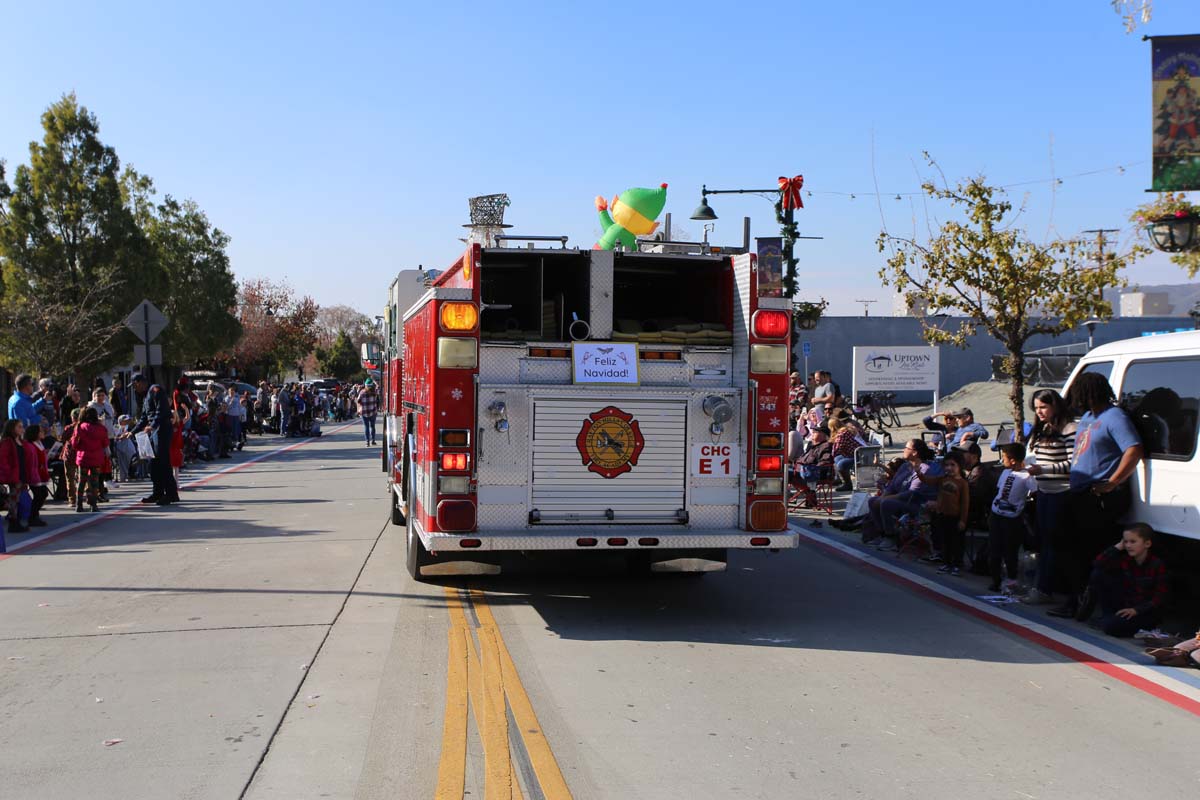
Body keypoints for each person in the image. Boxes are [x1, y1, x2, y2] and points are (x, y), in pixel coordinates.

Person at [1048, 372, 1144, 619]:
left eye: (1081, 394)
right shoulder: (1089, 417)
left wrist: (1112, 482)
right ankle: (1076, 596)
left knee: (1088, 550)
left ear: (1092, 393)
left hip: (1099, 495)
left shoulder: (1115, 417)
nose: (1077, 399)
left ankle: (1085, 602)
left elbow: (1133, 450)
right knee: (1064, 542)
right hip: (1079, 490)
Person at [1024, 389, 1076, 604]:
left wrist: (1044, 470)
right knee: (1043, 542)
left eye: (1043, 407)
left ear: (1055, 405)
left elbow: (1073, 463)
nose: (1040, 412)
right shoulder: (1042, 429)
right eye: (1036, 408)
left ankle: (1045, 589)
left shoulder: (1070, 429)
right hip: (1043, 492)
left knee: (1053, 543)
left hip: (1061, 493)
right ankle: (1043, 586)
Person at [1076, 523, 1168, 637]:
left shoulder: (1157, 564)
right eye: (1125, 542)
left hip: (1143, 611)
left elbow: (1160, 597)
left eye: (1133, 542)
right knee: (1098, 574)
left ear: (1147, 543)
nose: (1128, 545)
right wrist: (1118, 546)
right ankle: (1106, 616)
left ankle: (1112, 622)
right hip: (1126, 605)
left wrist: (1136, 610)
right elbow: (1098, 564)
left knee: (1111, 627)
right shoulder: (1126, 560)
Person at [986, 443, 1037, 593]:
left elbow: (1034, 492)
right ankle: (995, 580)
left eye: (1004, 457)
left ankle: (1011, 580)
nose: (1003, 460)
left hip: (1012, 518)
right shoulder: (1005, 473)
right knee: (994, 549)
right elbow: (1000, 490)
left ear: (1013, 460)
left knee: (1010, 551)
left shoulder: (1026, 475)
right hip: (996, 514)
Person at [136, 379, 179, 506]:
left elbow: (162, 410)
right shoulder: (146, 396)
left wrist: (153, 425)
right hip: (154, 431)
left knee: (163, 462)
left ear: (141, 382)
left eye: (135, 384)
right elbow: (144, 417)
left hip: (162, 429)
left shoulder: (156, 390)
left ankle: (171, 494)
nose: (134, 388)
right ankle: (157, 492)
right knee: (154, 464)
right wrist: (131, 432)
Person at [928, 455, 970, 575]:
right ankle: (946, 563)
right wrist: (919, 473)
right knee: (945, 541)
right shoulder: (942, 479)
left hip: (955, 516)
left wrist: (963, 520)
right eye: (946, 465)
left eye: (953, 465)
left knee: (957, 542)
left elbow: (965, 503)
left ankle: (957, 564)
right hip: (943, 515)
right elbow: (928, 481)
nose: (949, 468)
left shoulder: (963, 483)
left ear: (959, 467)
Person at [71, 407, 110, 513]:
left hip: (83, 457)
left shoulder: (80, 427)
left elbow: (74, 444)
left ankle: (79, 504)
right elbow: (105, 443)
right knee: (95, 482)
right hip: (96, 457)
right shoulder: (101, 428)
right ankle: (94, 505)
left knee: (81, 481)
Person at [1, 419, 29, 533]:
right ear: (12, 428)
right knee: (14, 499)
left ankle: (15, 520)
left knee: (17, 499)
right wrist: (9, 473)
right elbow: (3, 459)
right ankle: (13, 522)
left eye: (22, 426)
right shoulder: (7, 441)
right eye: (19, 427)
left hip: (21, 474)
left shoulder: (20, 441)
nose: (22, 429)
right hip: (13, 476)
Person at [22, 424, 50, 527]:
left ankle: (34, 515)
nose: (43, 432)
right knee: (39, 495)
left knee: (43, 494)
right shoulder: (30, 445)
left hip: (41, 473)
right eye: (40, 431)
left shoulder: (39, 443)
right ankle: (33, 517)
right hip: (34, 474)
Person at [357, 378, 379, 447]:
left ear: (366, 385)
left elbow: (358, 401)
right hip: (373, 412)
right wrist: (375, 383)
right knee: (372, 426)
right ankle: (373, 440)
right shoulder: (375, 392)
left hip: (364, 412)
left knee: (366, 427)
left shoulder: (362, 392)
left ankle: (367, 442)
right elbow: (378, 388)